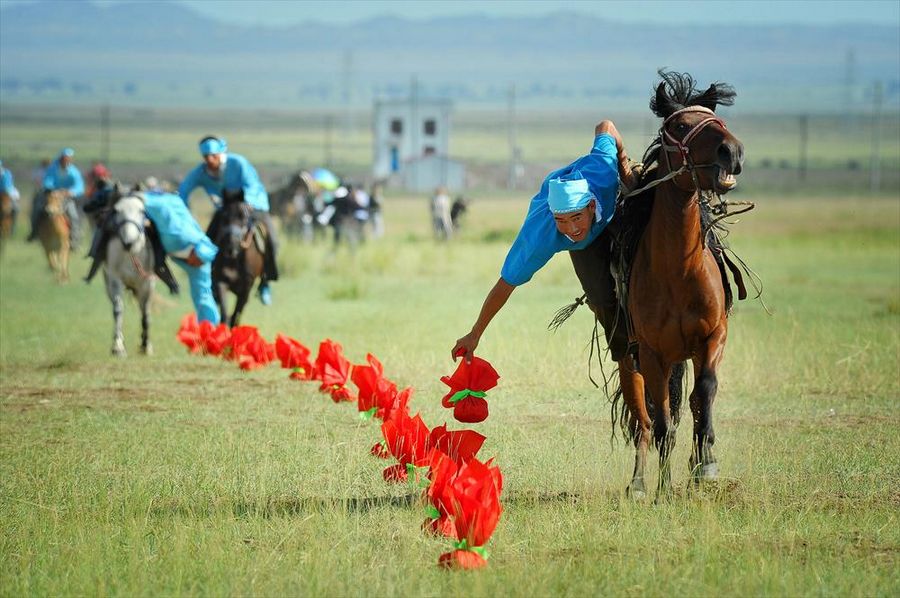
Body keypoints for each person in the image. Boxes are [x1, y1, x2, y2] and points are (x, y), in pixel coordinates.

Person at [451, 120, 635, 375]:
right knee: (600, 296)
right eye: (562, 221)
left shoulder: (602, 170)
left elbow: (606, 126)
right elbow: (505, 284)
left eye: (576, 218)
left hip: (613, 201)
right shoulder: (541, 236)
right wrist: (475, 333)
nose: (571, 229)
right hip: (582, 231)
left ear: (591, 207)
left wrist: (624, 163)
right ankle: (627, 353)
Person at [178, 136, 277, 306]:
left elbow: (252, 185)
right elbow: (183, 191)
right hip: (227, 210)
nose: (209, 160)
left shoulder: (238, 163)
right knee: (207, 241)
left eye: (213, 156)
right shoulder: (202, 172)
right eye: (206, 157)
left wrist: (248, 203)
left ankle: (265, 281)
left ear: (220, 153)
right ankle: (210, 280)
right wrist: (180, 209)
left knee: (272, 241)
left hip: (254, 206)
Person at [144, 191, 221, 324]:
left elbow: (208, 248)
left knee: (202, 296)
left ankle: (210, 329)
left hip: (195, 251)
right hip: (189, 249)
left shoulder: (168, 213)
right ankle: (210, 330)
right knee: (202, 296)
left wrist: (199, 255)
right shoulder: (170, 209)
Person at [29, 148, 84, 249]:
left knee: (74, 216)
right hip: (51, 196)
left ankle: (74, 240)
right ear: (60, 158)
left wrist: (70, 192)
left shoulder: (74, 171)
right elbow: (47, 181)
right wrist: (52, 190)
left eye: (68, 159)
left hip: (66, 199)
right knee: (37, 209)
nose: (66, 160)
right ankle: (34, 233)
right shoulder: (52, 169)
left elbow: (79, 186)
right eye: (64, 158)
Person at [0, 160, 21, 233]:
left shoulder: (6, 173)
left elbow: (8, 187)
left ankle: (12, 228)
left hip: (7, 195)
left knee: (15, 209)